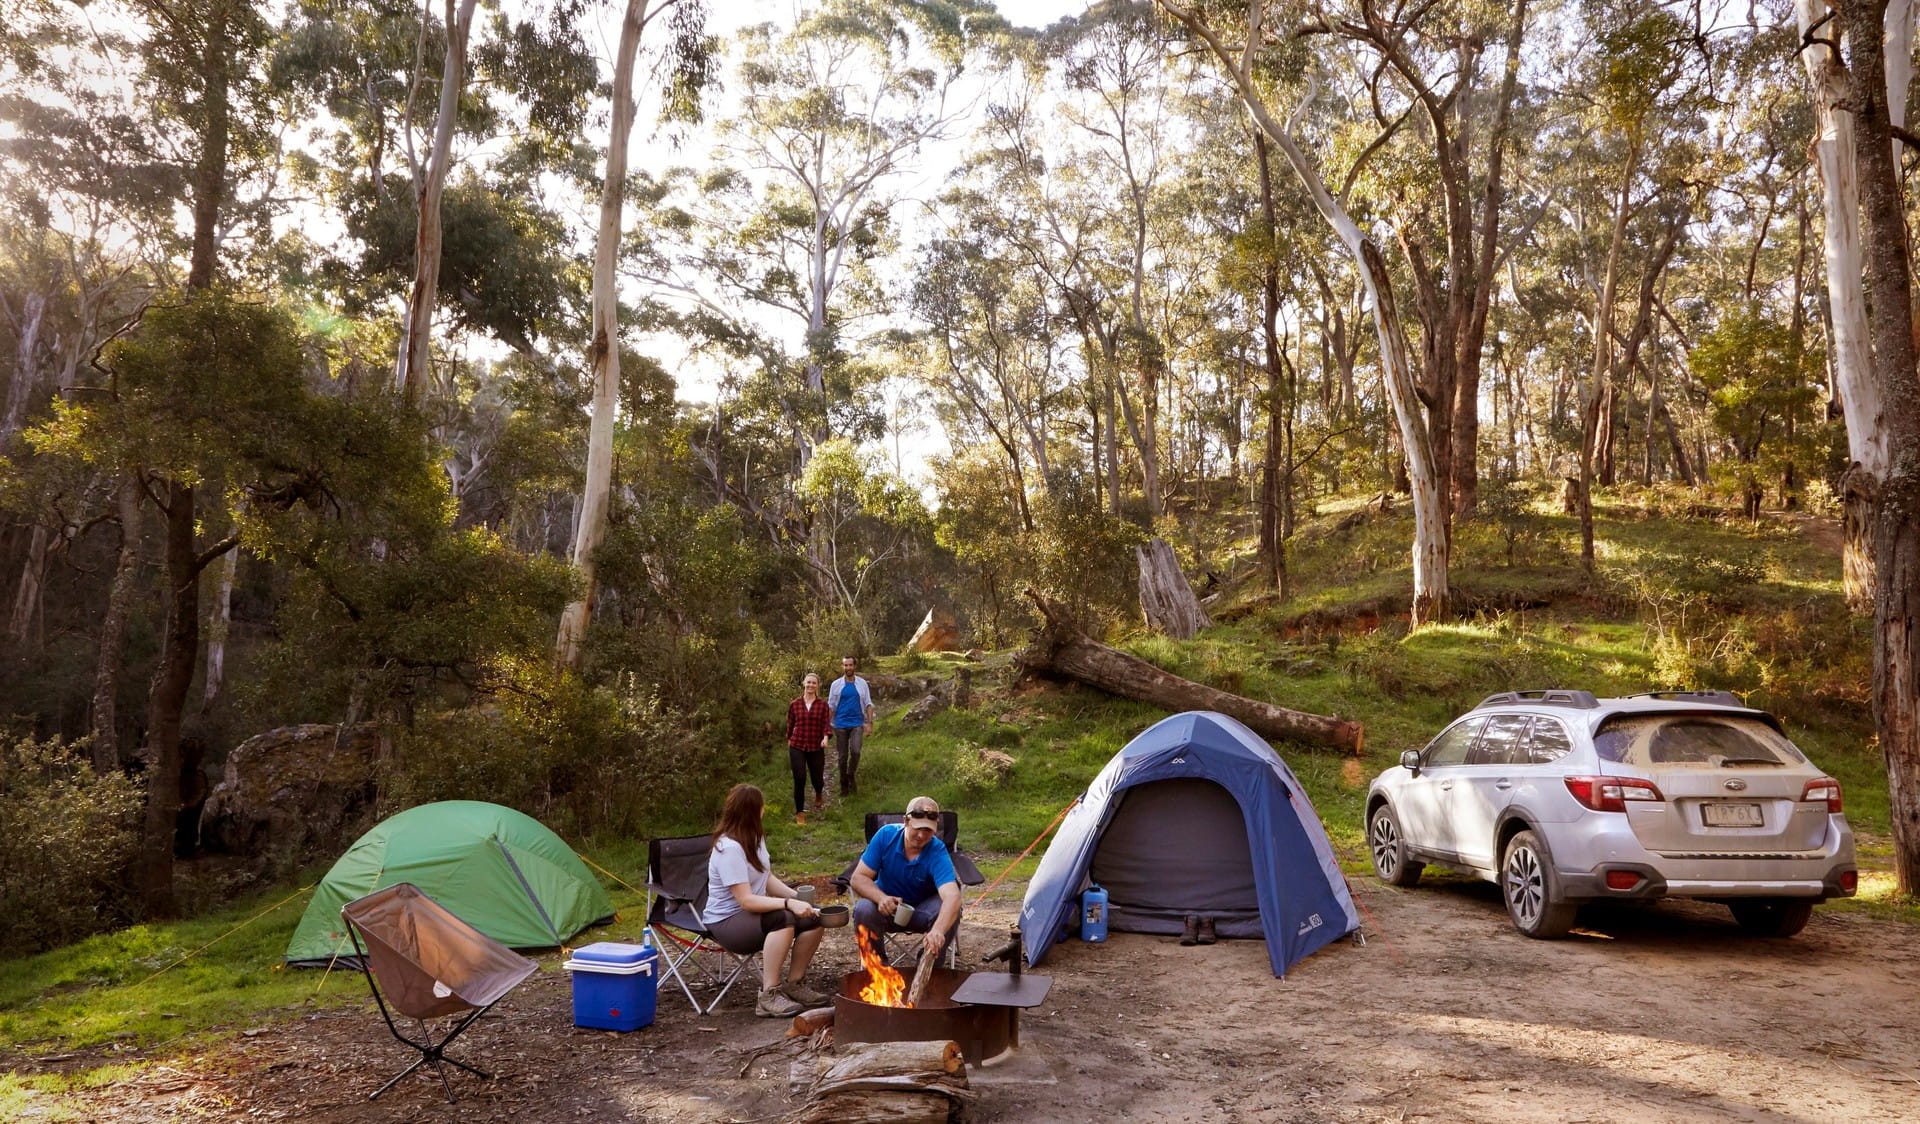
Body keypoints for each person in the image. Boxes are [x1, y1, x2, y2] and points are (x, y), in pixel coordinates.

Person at [701, 784, 829, 1017]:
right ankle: (768, 994)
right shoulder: (728, 848)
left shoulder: (755, 838)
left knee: (815, 916)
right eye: (761, 807)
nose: (763, 811)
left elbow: (766, 877)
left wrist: (799, 899)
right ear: (753, 811)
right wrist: (789, 904)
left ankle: (794, 984)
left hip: (750, 917)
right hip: (726, 922)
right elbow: (746, 901)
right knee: (783, 918)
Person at [849, 796, 961, 963]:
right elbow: (858, 878)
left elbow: (952, 896)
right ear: (906, 821)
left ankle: (927, 965)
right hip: (888, 908)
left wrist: (938, 930)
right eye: (917, 828)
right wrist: (881, 898)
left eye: (928, 830)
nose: (922, 835)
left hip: (923, 910)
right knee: (864, 908)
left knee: (951, 910)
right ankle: (878, 970)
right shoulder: (885, 836)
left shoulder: (936, 850)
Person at [826, 656, 874, 795]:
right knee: (842, 757)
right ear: (843, 667)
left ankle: (850, 774)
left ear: (855, 666)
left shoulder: (862, 683)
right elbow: (831, 706)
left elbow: (868, 704)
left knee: (856, 752)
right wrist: (827, 727)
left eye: (850, 665)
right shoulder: (835, 684)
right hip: (840, 724)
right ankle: (843, 784)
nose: (848, 668)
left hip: (857, 723)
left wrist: (869, 723)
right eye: (845, 665)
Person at [785, 673, 830, 823]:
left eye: (814, 683)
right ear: (804, 683)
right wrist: (789, 739)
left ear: (817, 686)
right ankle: (799, 812)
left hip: (816, 745)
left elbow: (826, 724)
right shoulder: (795, 704)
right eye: (808, 682)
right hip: (797, 745)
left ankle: (818, 793)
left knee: (817, 778)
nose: (811, 685)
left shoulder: (822, 705)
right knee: (799, 778)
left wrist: (825, 737)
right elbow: (790, 724)